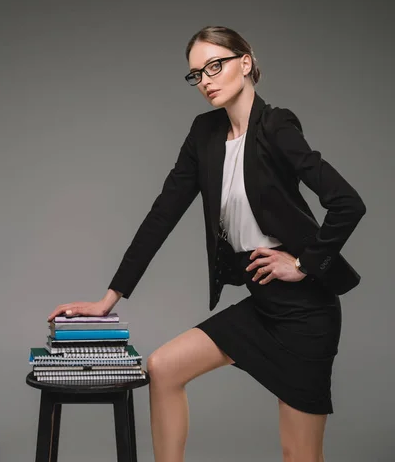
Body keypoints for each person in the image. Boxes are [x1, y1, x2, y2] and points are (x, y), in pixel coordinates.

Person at [48, 25, 366, 462]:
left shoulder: (276, 126)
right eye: (197, 74)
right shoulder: (205, 134)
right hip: (263, 305)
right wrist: (109, 298)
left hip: (306, 314)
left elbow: (347, 202)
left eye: (215, 65)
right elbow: (163, 214)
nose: (206, 80)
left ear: (246, 62)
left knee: (299, 455)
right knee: (162, 368)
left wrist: (303, 263)